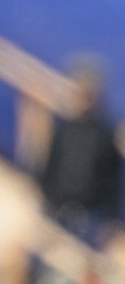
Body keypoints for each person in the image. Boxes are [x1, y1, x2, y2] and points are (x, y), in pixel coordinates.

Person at [35, 57, 123, 246]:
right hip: (56, 213)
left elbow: (114, 184)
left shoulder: (107, 135)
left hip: (91, 221)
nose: (81, 98)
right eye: (78, 92)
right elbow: (45, 170)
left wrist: (111, 223)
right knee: (16, 253)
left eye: (86, 93)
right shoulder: (62, 128)